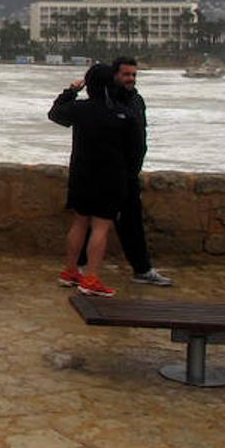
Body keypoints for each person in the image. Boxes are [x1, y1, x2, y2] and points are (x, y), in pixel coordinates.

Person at [75, 56, 174, 287]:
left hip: (130, 172)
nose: (130, 79)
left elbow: (139, 136)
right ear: (115, 76)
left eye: (133, 74)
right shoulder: (106, 103)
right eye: (126, 74)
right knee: (95, 221)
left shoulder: (136, 100)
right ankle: (80, 267)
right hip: (108, 173)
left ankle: (142, 269)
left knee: (132, 223)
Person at [50, 63, 136, 297]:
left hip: (81, 173)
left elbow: (55, 113)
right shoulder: (123, 114)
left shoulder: (80, 109)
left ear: (89, 84)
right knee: (100, 226)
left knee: (79, 222)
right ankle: (91, 278)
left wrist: (71, 90)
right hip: (110, 176)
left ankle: (70, 271)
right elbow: (133, 148)